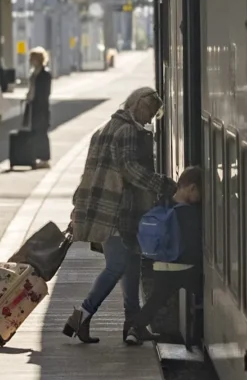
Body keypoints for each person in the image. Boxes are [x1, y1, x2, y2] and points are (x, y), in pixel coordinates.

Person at [61, 86, 177, 345]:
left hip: (104, 208)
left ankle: (133, 324)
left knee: (132, 266)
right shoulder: (126, 131)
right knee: (116, 267)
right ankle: (82, 314)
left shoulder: (103, 129)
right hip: (116, 212)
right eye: (149, 112)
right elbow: (130, 170)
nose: (149, 119)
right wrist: (162, 184)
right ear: (137, 104)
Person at [124, 166, 204, 344]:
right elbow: (195, 245)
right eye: (200, 192)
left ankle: (134, 329)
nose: (201, 198)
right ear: (191, 188)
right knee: (206, 292)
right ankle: (199, 333)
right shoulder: (189, 212)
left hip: (161, 266)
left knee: (155, 301)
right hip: (186, 268)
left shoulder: (163, 204)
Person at [24, 47, 53, 169]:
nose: (31, 61)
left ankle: (45, 158)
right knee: (35, 132)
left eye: (33, 59)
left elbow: (45, 93)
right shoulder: (33, 74)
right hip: (33, 107)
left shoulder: (45, 74)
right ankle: (36, 156)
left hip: (41, 108)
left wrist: (34, 98)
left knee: (42, 132)